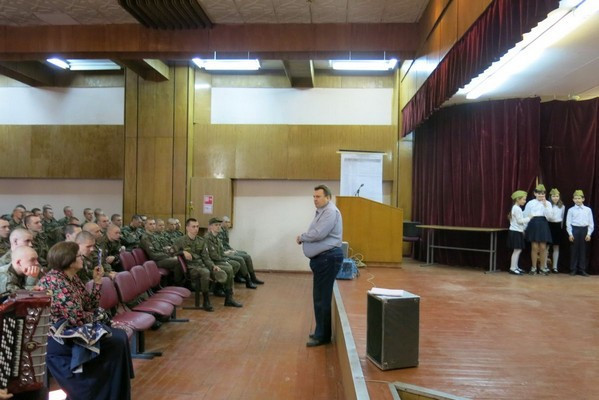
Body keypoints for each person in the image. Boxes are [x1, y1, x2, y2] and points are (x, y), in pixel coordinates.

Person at [38, 241, 133, 400]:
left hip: (75, 327)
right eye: (79, 256)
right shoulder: (55, 281)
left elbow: (90, 305)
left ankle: (117, 392)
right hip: (61, 336)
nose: (82, 258)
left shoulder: (71, 278)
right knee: (116, 341)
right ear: (69, 260)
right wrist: (98, 316)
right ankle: (107, 393)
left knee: (120, 337)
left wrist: (97, 282)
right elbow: (76, 318)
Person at [297, 184, 343, 347]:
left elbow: (318, 234)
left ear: (328, 197)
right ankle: (321, 332)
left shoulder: (330, 212)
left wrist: (302, 237)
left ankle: (322, 336)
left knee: (322, 298)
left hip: (327, 259)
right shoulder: (323, 211)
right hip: (323, 259)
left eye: (318, 196)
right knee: (320, 297)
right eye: (314, 197)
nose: (315, 199)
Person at [204, 218, 243, 307]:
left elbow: (221, 253)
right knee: (229, 269)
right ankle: (229, 298)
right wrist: (225, 261)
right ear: (210, 227)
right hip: (212, 262)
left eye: (219, 225)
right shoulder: (207, 239)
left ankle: (220, 286)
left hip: (219, 260)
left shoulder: (217, 238)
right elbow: (212, 256)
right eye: (216, 225)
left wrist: (226, 259)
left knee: (236, 264)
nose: (218, 227)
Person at [220, 216, 264, 285]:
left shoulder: (225, 231)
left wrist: (232, 249)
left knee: (245, 253)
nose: (228, 224)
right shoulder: (220, 232)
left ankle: (240, 276)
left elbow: (226, 244)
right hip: (225, 252)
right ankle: (249, 279)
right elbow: (221, 247)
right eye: (226, 222)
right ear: (222, 222)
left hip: (228, 250)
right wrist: (230, 251)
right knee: (245, 257)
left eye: (229, 222)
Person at [523, 184, 552, 275]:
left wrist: (545, 205)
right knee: (534, 247)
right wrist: (524, 228)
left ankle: (543, 267)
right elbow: (526, 215)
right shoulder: (530, 203)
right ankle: (534, 267)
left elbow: (550, 217)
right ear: (535, 193)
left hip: (543, 224)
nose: (541, 195)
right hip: (533, 224)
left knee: (543, 247)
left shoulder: (548, 203)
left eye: (543, 194)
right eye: (539, 193)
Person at [566, 190, 594, 277]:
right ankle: (573, 269)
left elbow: (591, 223)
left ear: (583, 199)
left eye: (579, 198)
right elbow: (568, 223)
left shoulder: (588, 210)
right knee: (574, 250)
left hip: (584, 230)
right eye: (575, 198)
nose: (577, 200)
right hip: (575, 230)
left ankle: (582, 269)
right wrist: (570, 234)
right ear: (573, 199)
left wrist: (589, 234)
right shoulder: (571, 210)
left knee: (583, 250)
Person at [507, 190, 529, 275]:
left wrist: (522, 230)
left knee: (518, 250)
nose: (525, 201)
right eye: (523, 199)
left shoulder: (517, 208)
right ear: (517, 199)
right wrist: (529, 218)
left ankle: (515, 267)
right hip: (515, 232)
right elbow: (520, 221)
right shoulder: (516, 208)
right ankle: (512, 268)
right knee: (517, 250)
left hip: (517, 231)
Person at [547, 188, 565, 273]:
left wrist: (560, 228)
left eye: (557, 196)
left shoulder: (562, 206)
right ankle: (544, 265)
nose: (555, 198)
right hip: (549, 226)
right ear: (550, 197)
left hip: (557, 227)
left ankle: (555, 267)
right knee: (546, 246)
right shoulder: (547, 205)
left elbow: (562, 218)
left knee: (556, 247)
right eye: (553, 196)